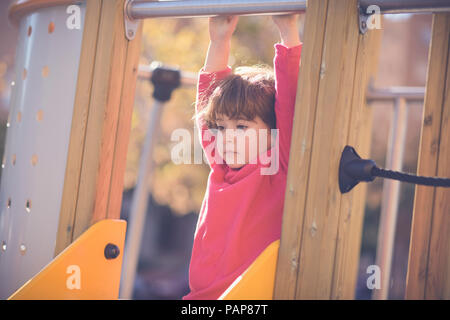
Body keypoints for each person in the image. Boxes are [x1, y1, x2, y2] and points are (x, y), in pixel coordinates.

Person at [183, 14, 302, 300]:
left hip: (250, 296)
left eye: (242, 126)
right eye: (222, 128)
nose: (227, 137)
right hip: (200, 298)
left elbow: (290, 102)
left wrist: (288, 30)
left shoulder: (277, 166)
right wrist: (219, 39)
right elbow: (207, 101)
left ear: (273, 132)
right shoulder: (221, 166)